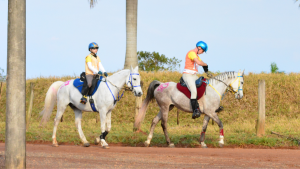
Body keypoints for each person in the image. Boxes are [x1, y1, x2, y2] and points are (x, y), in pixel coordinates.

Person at [183, 41, 212, 119]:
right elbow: (199, 62)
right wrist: (205, 64)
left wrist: (206, 70)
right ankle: (195, 110)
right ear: (199, 48)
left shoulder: (196, 55)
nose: (202, 53)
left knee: (204, 84)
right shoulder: (192, 53)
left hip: (194, 76)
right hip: (188, 76)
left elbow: (201, 62)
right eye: (203, 51)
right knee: (194, 91)